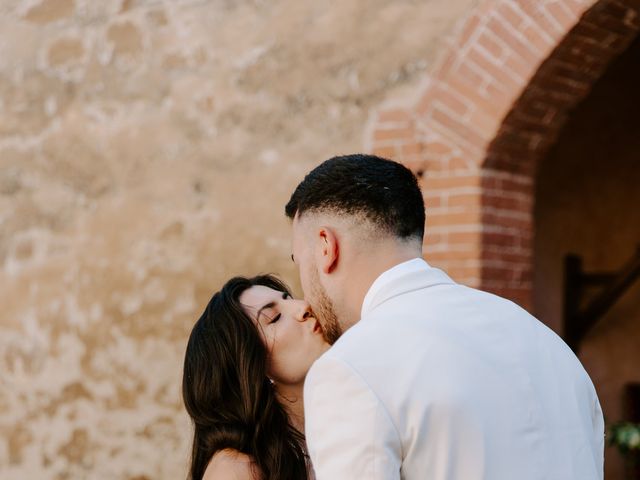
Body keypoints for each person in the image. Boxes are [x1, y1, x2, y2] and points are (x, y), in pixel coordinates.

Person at [285, 154, 605, 479]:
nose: (305, 295)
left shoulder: (349, 368)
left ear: (326, 246)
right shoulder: (548, 344)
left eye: (299, 259)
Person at [182, 274, 329, 480]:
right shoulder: (234, 471)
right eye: (274, 318)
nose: (304, 307)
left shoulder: (333, 428)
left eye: (288, 299)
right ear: (252, 371)